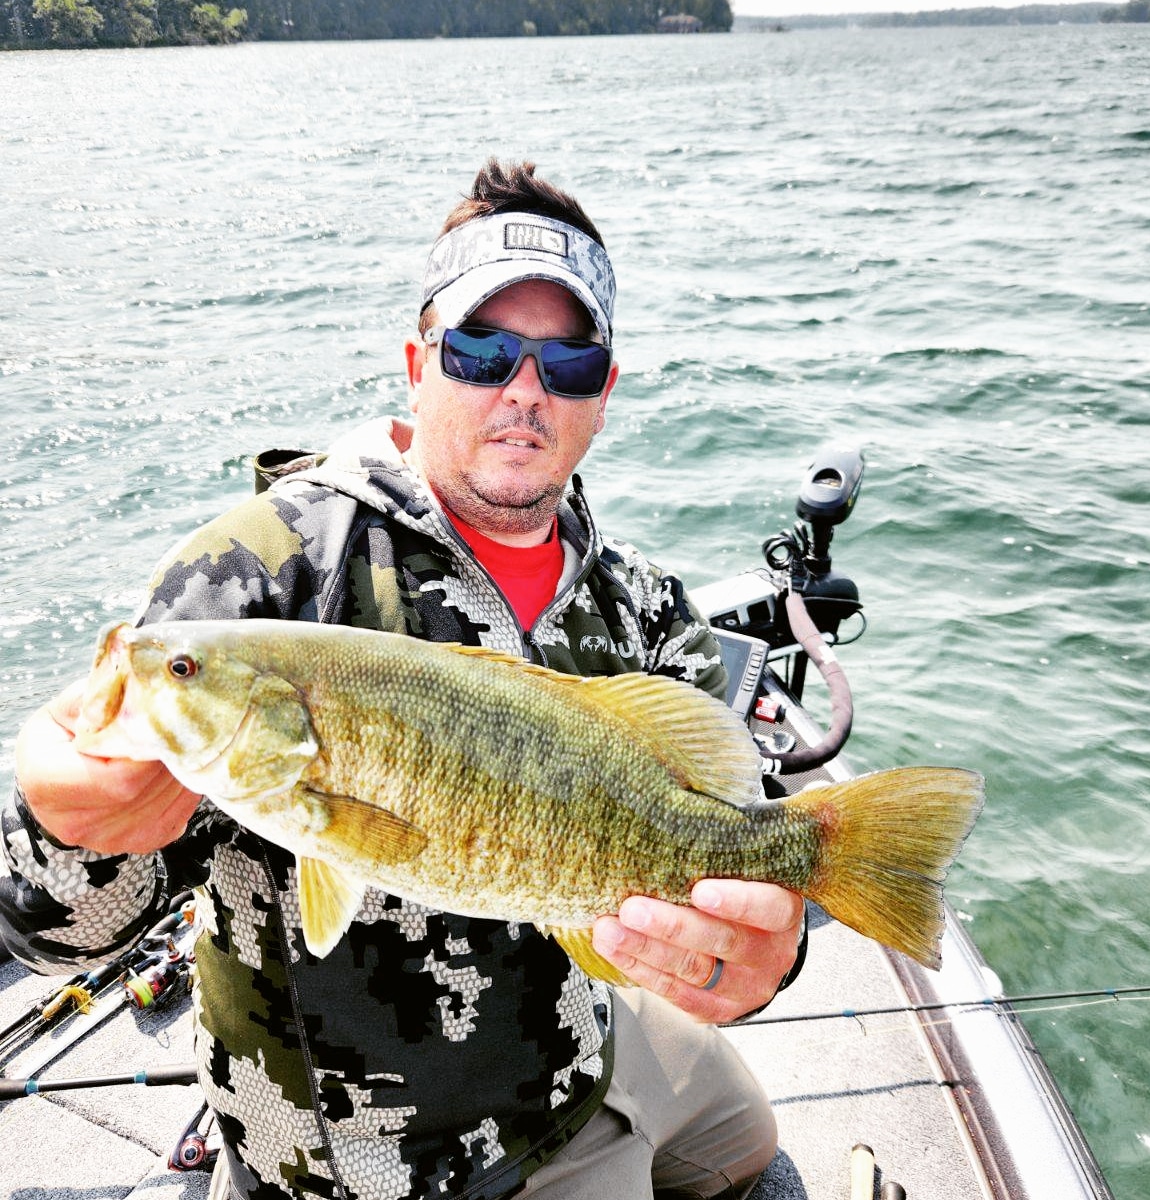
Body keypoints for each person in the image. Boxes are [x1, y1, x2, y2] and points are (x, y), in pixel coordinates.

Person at [0, 159, 807, 1200]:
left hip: (585, 1042)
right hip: (397, 1169)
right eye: (482, 350)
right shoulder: (262, 581)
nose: (523, 389)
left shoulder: (640, 603)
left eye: (566, 364)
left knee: (751, 1145)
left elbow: (747, 831)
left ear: (601, 396)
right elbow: (57, 934)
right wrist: (67, 828)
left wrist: (765, 954)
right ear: (417, 362)